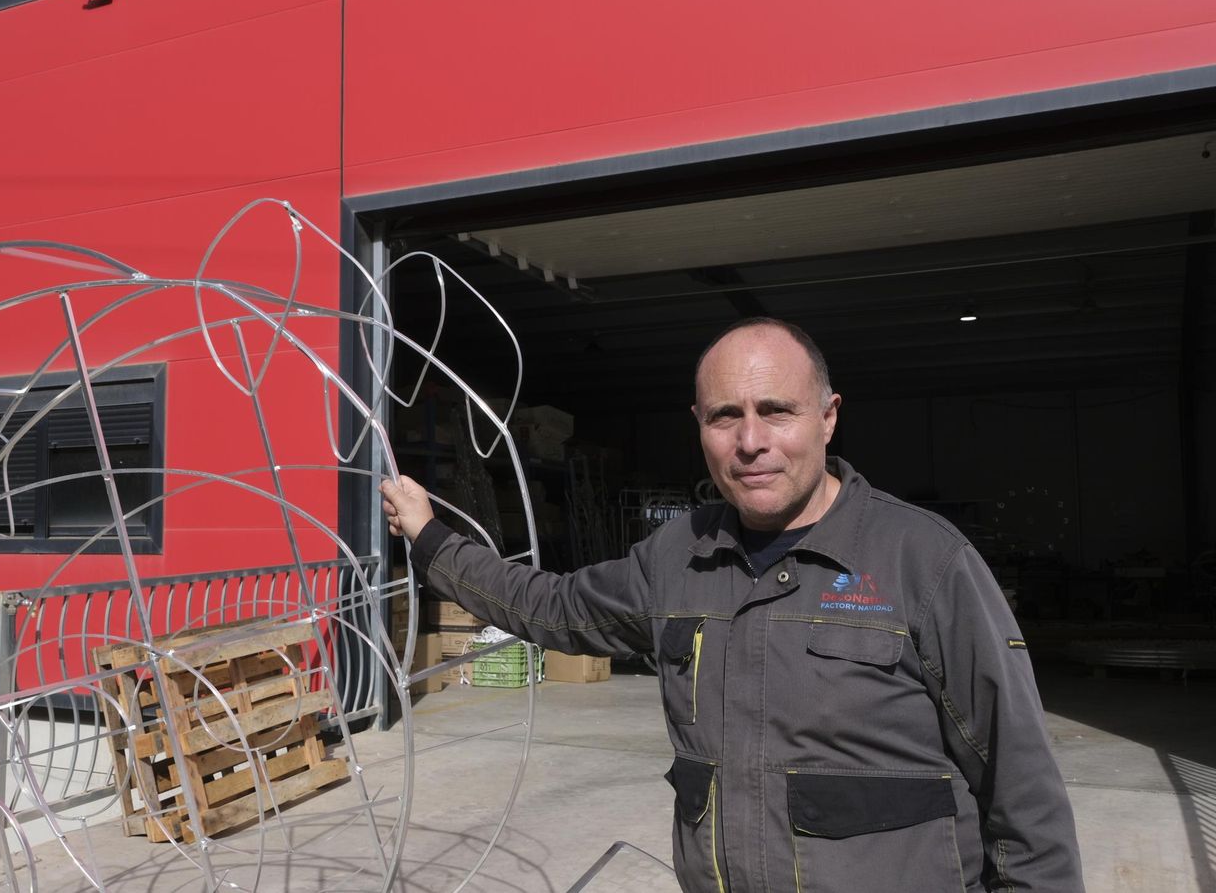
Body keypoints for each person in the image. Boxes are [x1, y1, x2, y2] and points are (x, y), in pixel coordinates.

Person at [379, 318, 1083, 893]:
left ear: (829, 417)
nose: (751, 442)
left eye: (777, 410)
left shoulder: (925, 562)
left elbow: (1021, 788)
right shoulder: (676, 557)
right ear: (699, 422)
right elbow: (549, 604)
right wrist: (431, 539)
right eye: (726, 416)